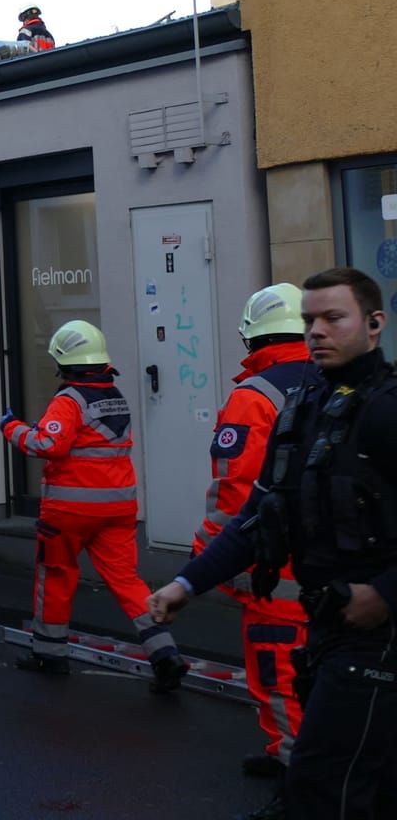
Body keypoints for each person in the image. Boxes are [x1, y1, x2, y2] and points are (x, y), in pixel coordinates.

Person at [151, 268, 397, 819]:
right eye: (309, 320)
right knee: (361, 784)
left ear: (374, 324)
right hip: (330, 627)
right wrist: (187, 582)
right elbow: (258, 514)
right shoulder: (305, 409)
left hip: (377, 635)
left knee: (321, 783)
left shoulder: (385, 411)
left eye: (334, 318)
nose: (317, 331)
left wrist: (384, 591)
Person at [1, 320, 188, 688]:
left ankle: (50, 655)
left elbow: (47, 446)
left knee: (55, 575)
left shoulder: (68, 400)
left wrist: (12, 427)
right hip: (118, 508)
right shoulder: (114, 395)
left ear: (64, 362)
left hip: (70, 511)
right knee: (127, 581)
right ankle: (164, 653)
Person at [196, 283, 315, 780]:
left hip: (274, 567)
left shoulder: (253, 397)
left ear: (253, 339)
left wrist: (209, 557)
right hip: (334, 566)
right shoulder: (334, 379)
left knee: (277, 670)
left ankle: (294, 767)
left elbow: (235, 494)